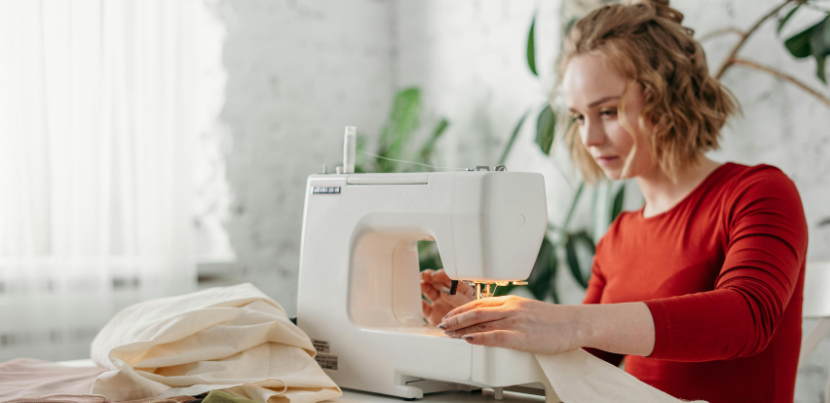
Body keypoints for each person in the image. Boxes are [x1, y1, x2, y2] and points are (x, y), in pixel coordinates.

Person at [419, 1, 808, 402]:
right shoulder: (620, 236)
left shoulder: (758, 192)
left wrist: (573, 321)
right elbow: (583, 366)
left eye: (607, 111)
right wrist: (486, 326)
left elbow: (746, 317)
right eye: (579, 117)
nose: (589, 138)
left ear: (668, 99)